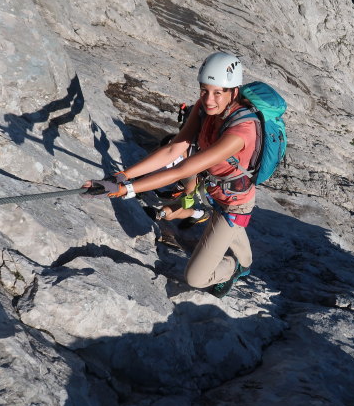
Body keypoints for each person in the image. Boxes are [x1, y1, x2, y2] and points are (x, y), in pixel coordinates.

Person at [84, 51, 256, 298]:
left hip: (234, 202)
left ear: (234, 93)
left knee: (196, 278)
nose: (209, 100)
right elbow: (175, 148)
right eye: (204, 91)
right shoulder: (204, 110)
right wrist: (121, 176)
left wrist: (128, 189)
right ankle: (243, 257)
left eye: (218, 92)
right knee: (225, 224)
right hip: (215, 191)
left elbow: (185, 168)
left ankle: (235, 267)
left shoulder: (242, 131)